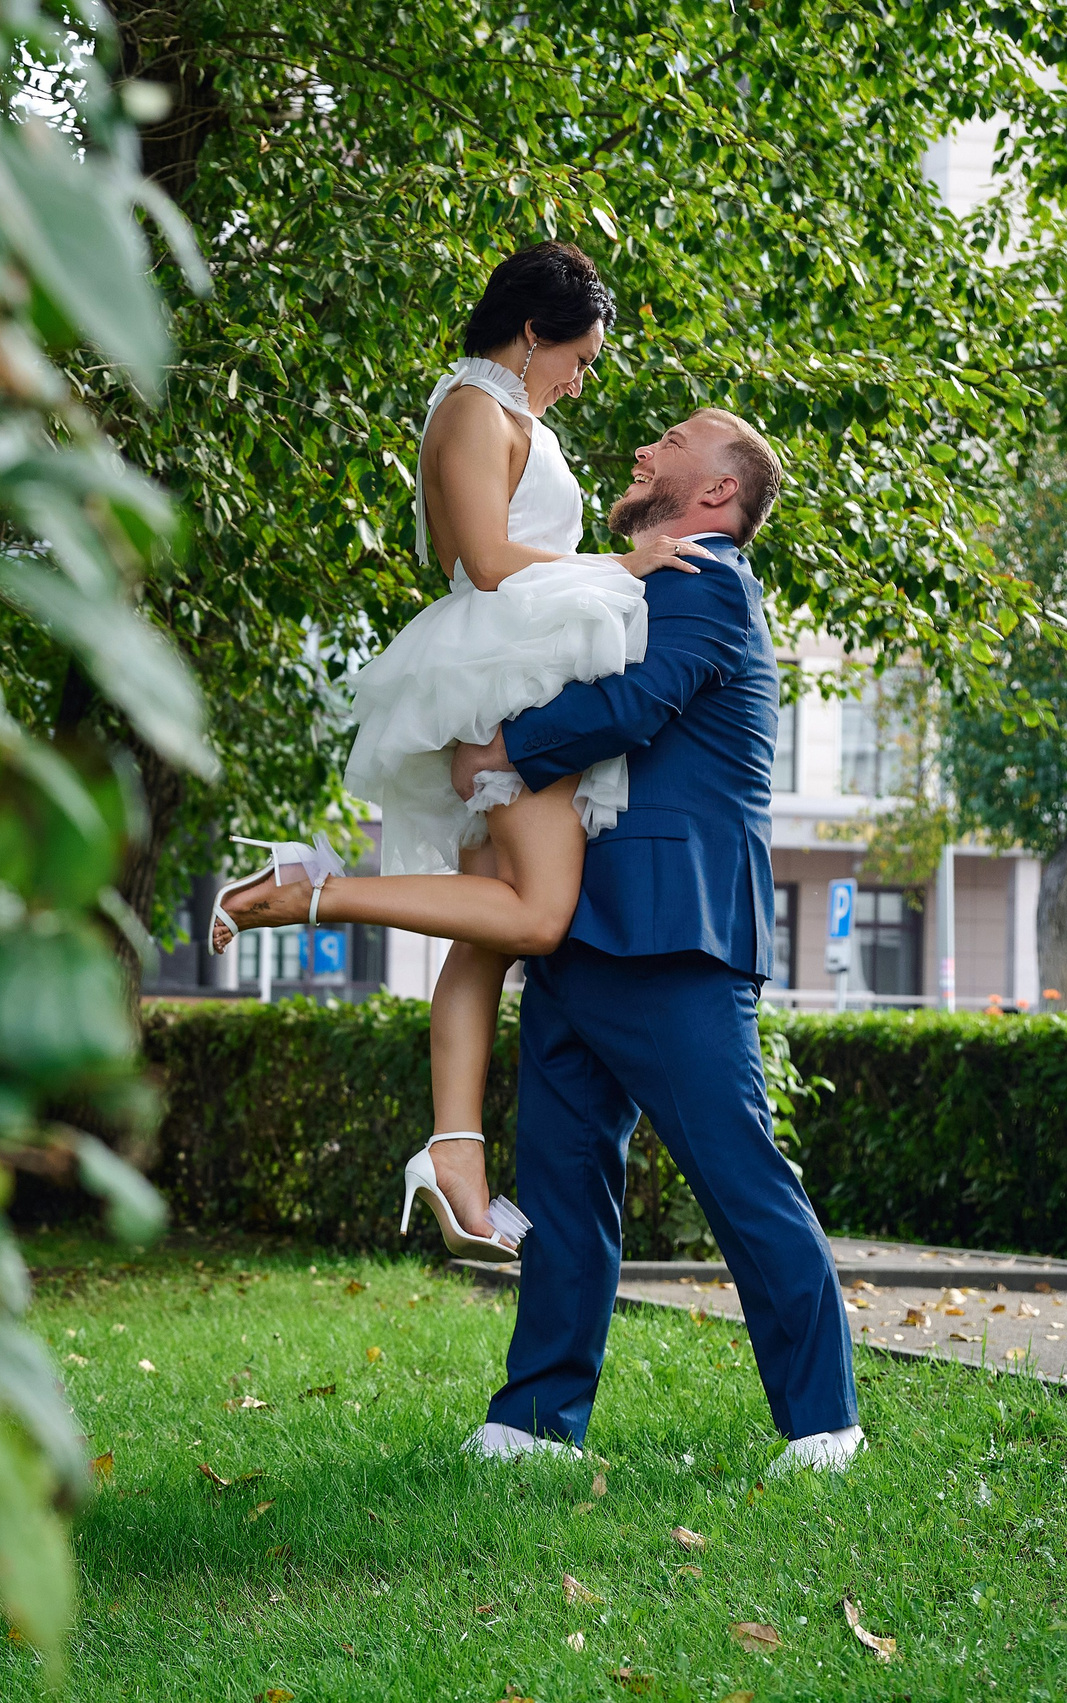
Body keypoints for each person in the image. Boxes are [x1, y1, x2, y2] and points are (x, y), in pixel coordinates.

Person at [217, 406, 866, 1475]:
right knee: (565, 1189)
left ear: (716, 495)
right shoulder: (619, 581)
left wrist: (500, 747)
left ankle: (823, 1421)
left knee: (740, 1179)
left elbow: (642, 703)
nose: (647, 443)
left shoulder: (709, 576)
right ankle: (534, 1421)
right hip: (573, 929)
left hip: (672, 936)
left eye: (676, 438)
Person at [211, 241, 704, 1258]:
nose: (583, 376)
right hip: (503, 681)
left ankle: (454, 1155)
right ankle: (308, 888)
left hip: (508, 670)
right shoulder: (475, 410)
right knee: (536, 913)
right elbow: (482, 560)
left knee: (482, 939)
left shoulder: (505, 412)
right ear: (532, 333)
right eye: (580, 355)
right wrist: (626, 559)